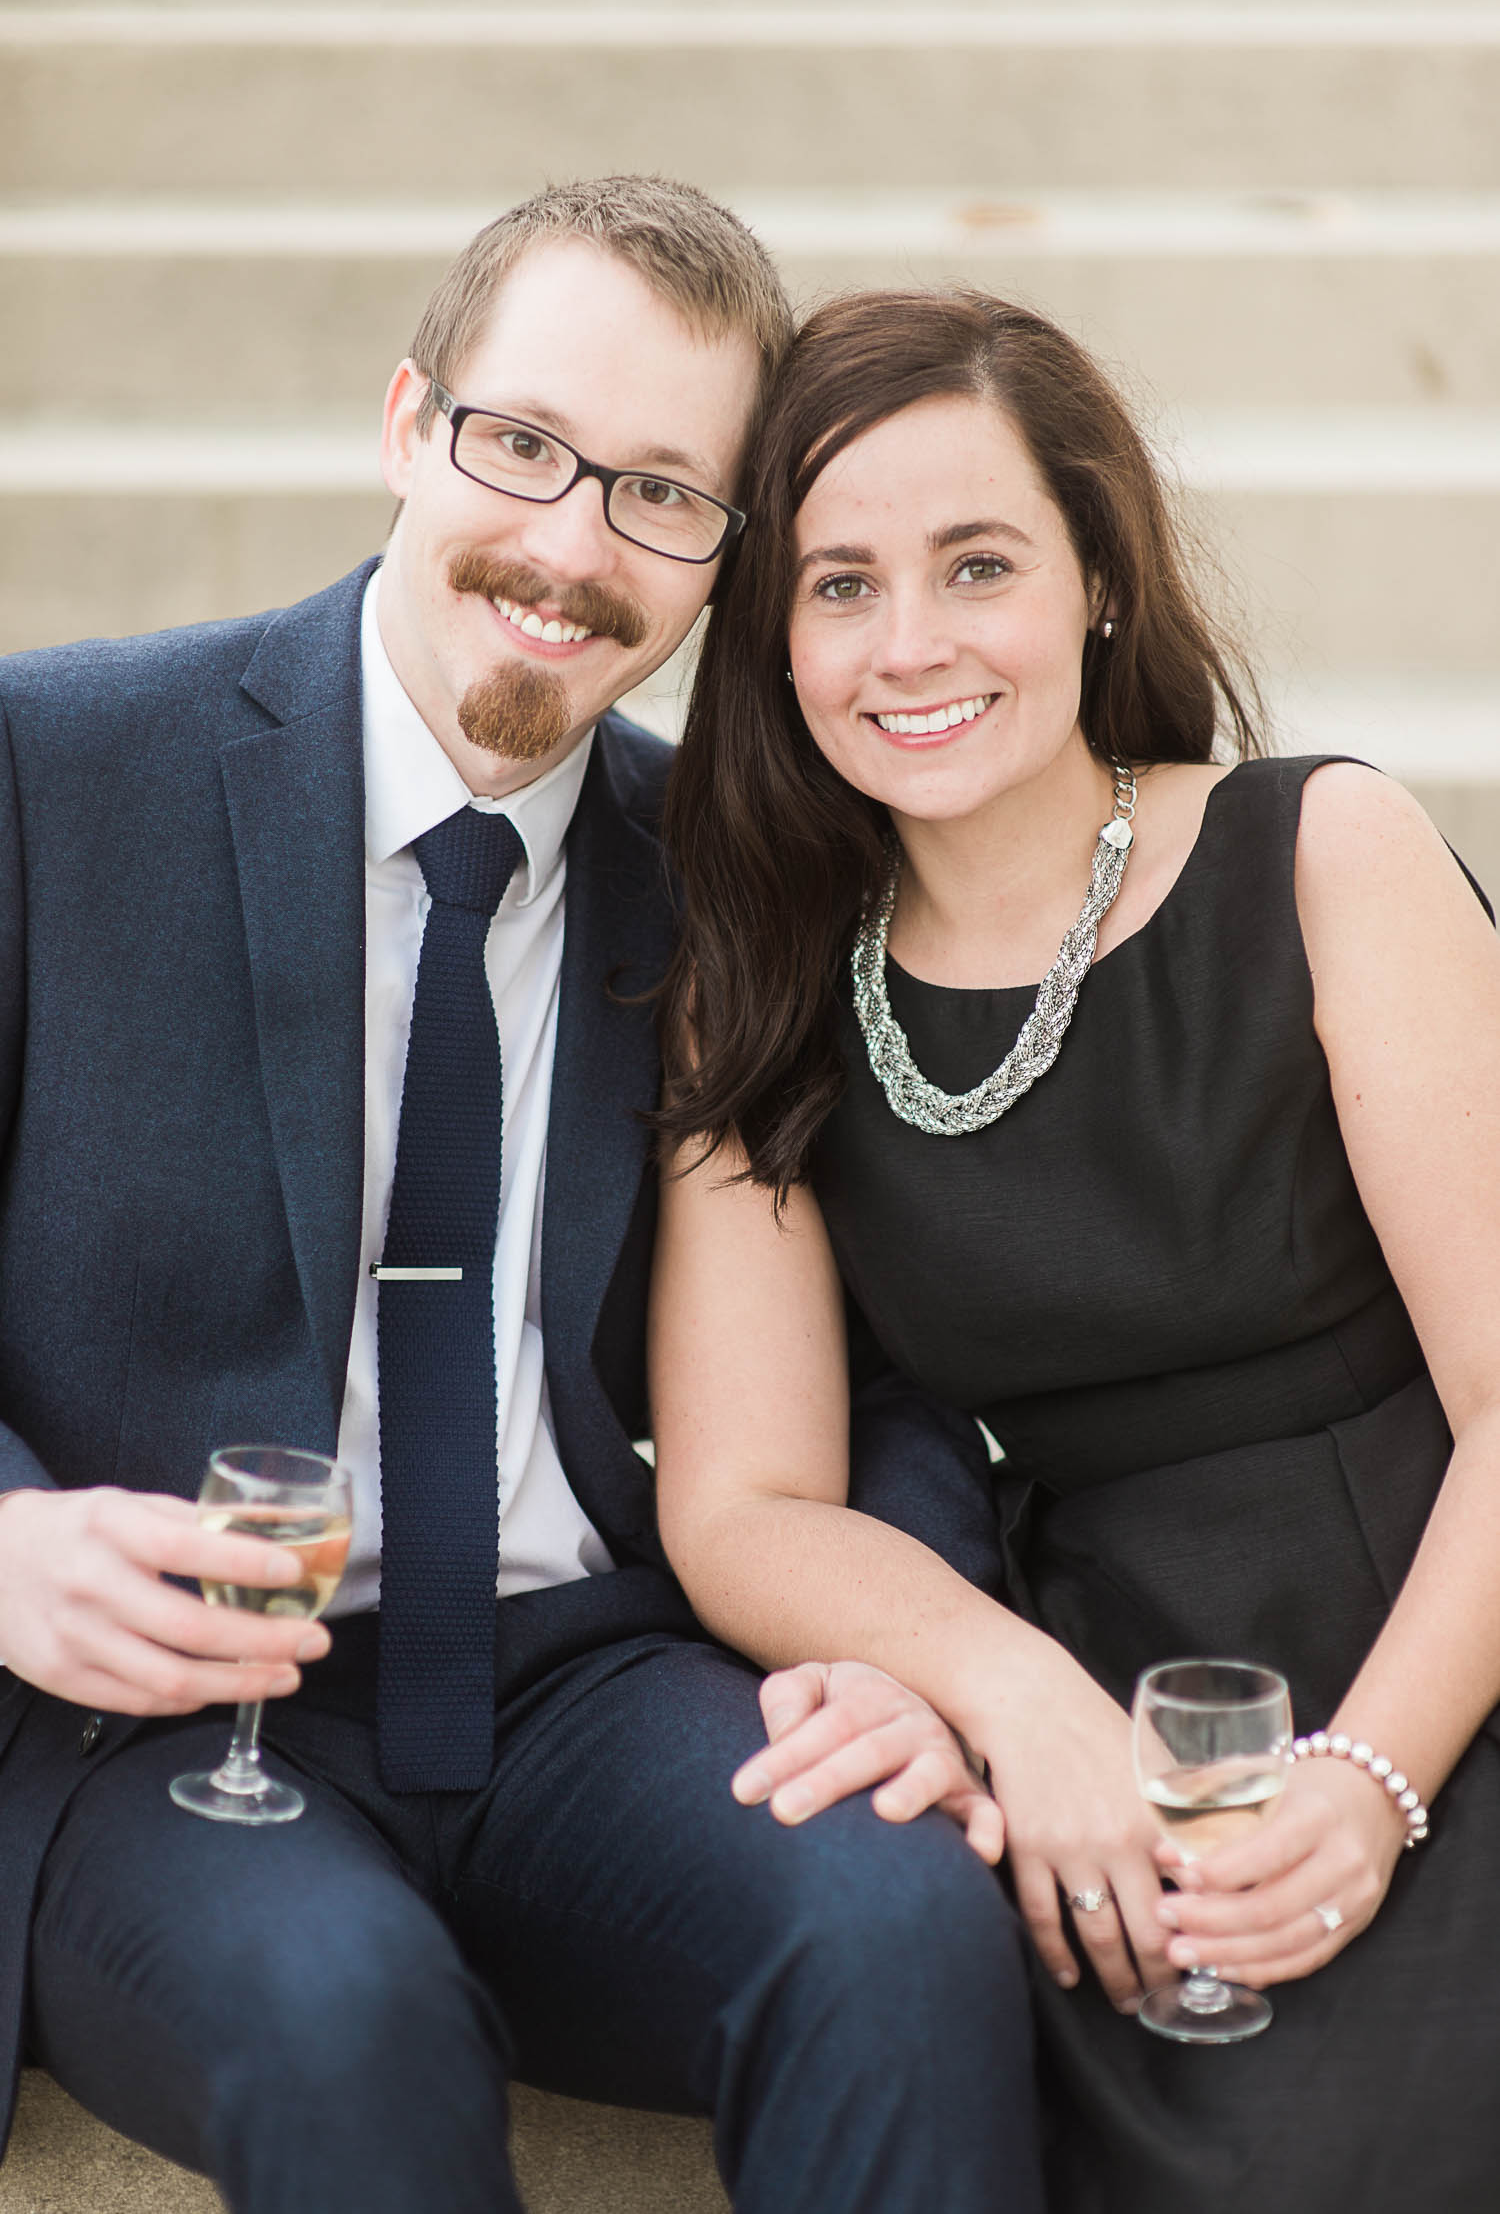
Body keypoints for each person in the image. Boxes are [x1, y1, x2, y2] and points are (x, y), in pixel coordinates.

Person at [0, 189, 1045, 2214]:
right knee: (346, 2008)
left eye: (661, 492)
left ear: (725, 560)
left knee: (904, 1919)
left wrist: (902, 1642)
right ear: (410, 423)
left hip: (582, 1675)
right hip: (160, 1707)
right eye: (526, 447)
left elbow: (902, 1358)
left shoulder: (733, 873)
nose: (572, 546)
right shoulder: (53, 770)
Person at [650, 286, 1500, 2211]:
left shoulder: (1322, 854)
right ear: (771, 633)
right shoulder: (763, 986)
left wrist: (1372, 1787)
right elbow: (744, 1501)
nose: (913, 646)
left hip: (1442, 1639)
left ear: (1099, 577)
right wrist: (1012, 1695)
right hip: (1111, 1709)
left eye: (977, 565)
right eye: (840, 585)